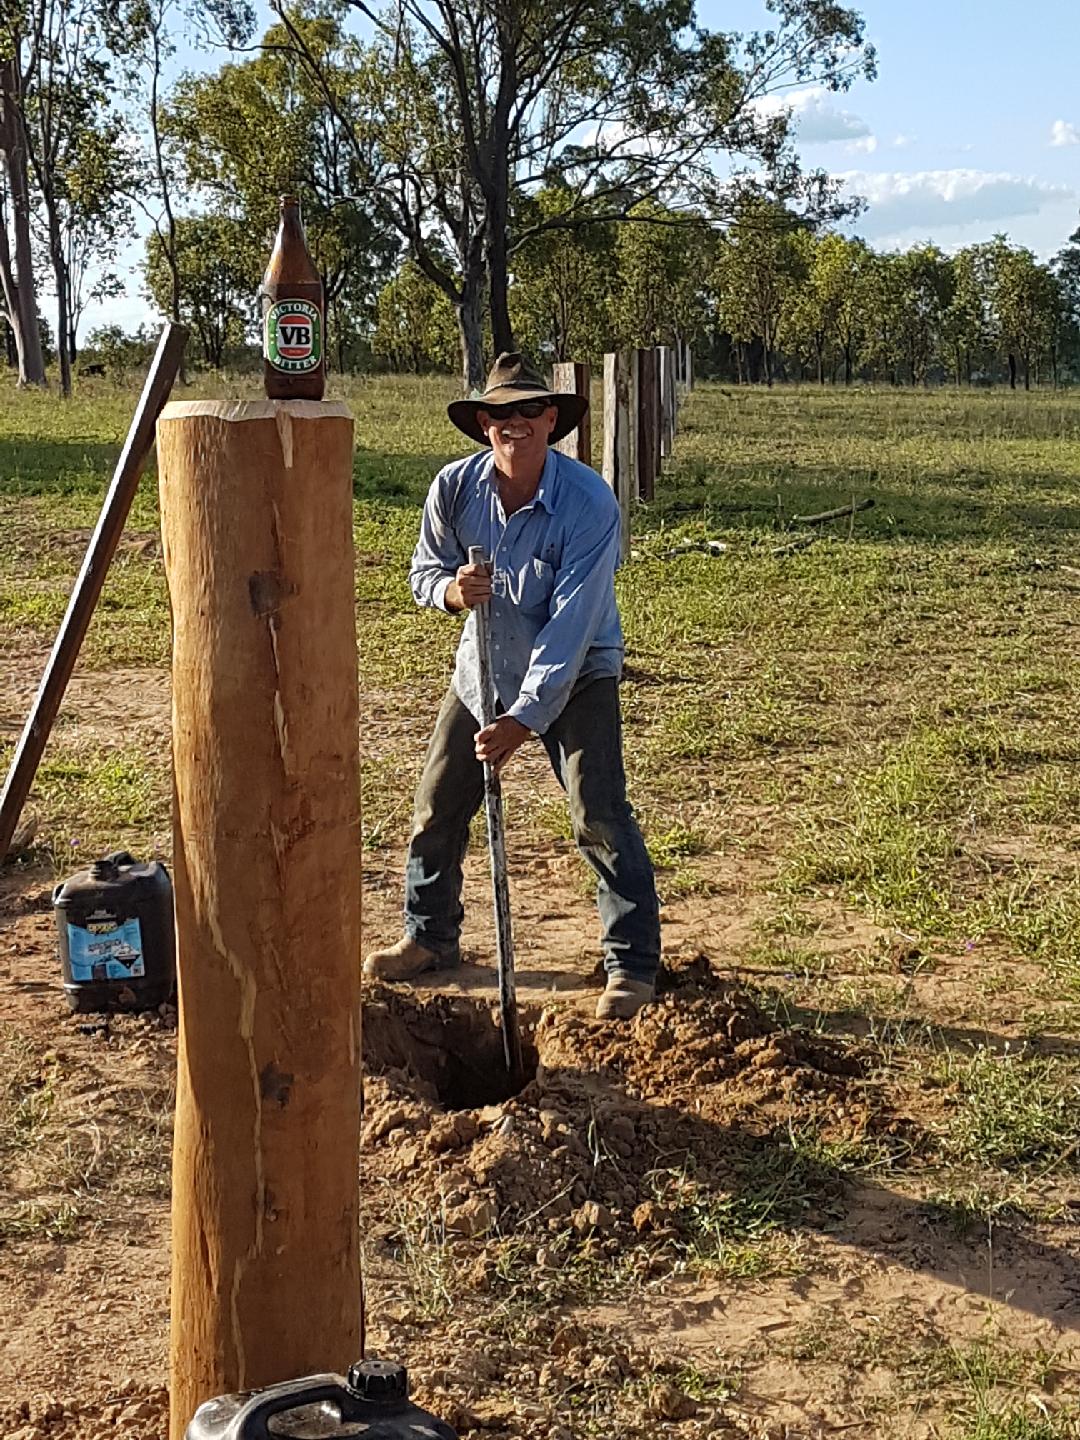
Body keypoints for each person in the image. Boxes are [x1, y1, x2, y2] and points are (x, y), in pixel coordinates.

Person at [363, 353, 660, 1020]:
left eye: (530, 411)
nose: (515, 423)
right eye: (501, 413)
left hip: (577, 673)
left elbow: (572, 625)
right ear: (482, 424)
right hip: (485, 666)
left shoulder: (588, 503)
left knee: (599, 811)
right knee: (437, 805)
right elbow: (423, 572)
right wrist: (449, 590)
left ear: (551, 420)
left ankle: (632, 964)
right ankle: (429, 937)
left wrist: (524, 720)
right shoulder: (454, 488)